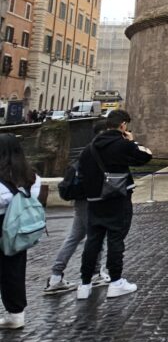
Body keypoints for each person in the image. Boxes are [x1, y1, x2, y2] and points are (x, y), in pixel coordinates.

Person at [76, 110, 152, 299]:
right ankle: (116, 282)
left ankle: (85, 285)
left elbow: (82, 174)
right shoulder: (122, 145)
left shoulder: (89, 148)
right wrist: (132, 141)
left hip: (94, 201)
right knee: (116, 240)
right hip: (117, 199)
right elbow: (145, 157)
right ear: (123, 125)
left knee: (93, 242)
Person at [43, 119, 109, 295]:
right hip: (90, 199)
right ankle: (95, 273)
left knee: (74, 237)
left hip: (81, 199)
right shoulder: (97, 150)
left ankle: (56, 276)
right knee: (95, 237)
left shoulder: (88, 149)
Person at [0, 134, 42, 329]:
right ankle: (16, 314)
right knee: (14, 271)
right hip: (19, 228)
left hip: (2, 223)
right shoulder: (31, 176)